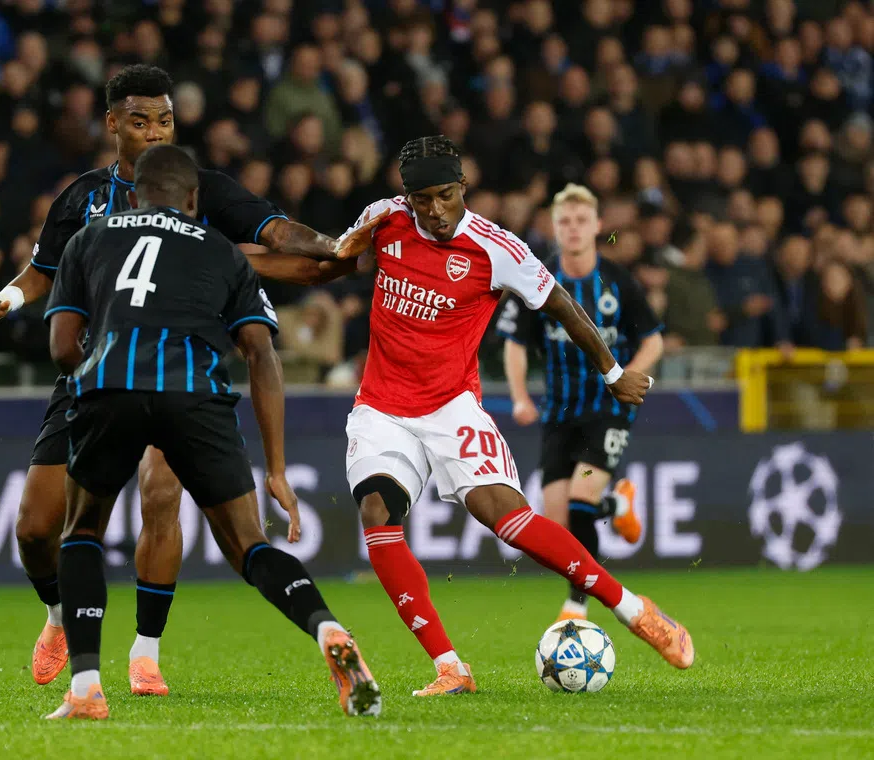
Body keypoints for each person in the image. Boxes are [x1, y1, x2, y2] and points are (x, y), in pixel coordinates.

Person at [0, 64, 374, 694]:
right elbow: (41, 270)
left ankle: (143, 652)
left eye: (165, 119)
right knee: (34, 526)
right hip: (106, 375)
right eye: (140, 120)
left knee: (157, 498)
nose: (155, 131)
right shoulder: (81, 201)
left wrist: (333, 246)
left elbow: (276, 236)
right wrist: (2, 300)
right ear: (112, 125)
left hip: (161, 366)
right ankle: (57, 614)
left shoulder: (202, 187)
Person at [336, 136, 694, 697]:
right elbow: (338, 261)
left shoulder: (497, 247)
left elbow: (562, 306)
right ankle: (451, 667)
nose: (432, 210)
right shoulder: (384, 219)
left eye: (444, 196)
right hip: (381, 406)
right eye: (420, 199)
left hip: (452, 405)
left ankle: (633, 609)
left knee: (506, 518)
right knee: (377, 511)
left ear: (463, 189)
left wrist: (612, 372)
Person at [42, 144, 380, 719]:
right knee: (249, 546)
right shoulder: (223, 252)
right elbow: (259, 352)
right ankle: (326, 629)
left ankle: (86, 690)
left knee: (81, 533)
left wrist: (97, 380)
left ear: (132, 194)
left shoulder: (88, 239)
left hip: (111, 389)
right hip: (195, 398)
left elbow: (59, 347)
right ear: (194, 199)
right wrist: (275, 467)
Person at [496, 183, 664, 623]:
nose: (572, 229)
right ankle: (618, 506)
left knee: (580, 496)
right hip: (559, 415)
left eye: (581, 221)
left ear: (597, 226)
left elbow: (653, 339)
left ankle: (578, 605)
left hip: (608, 412)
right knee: (556, 526)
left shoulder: (617, 280)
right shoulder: (536, 280)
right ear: (554, 227)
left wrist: (632, 379)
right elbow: (514, 344)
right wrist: (518, 397)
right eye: (564, 222)